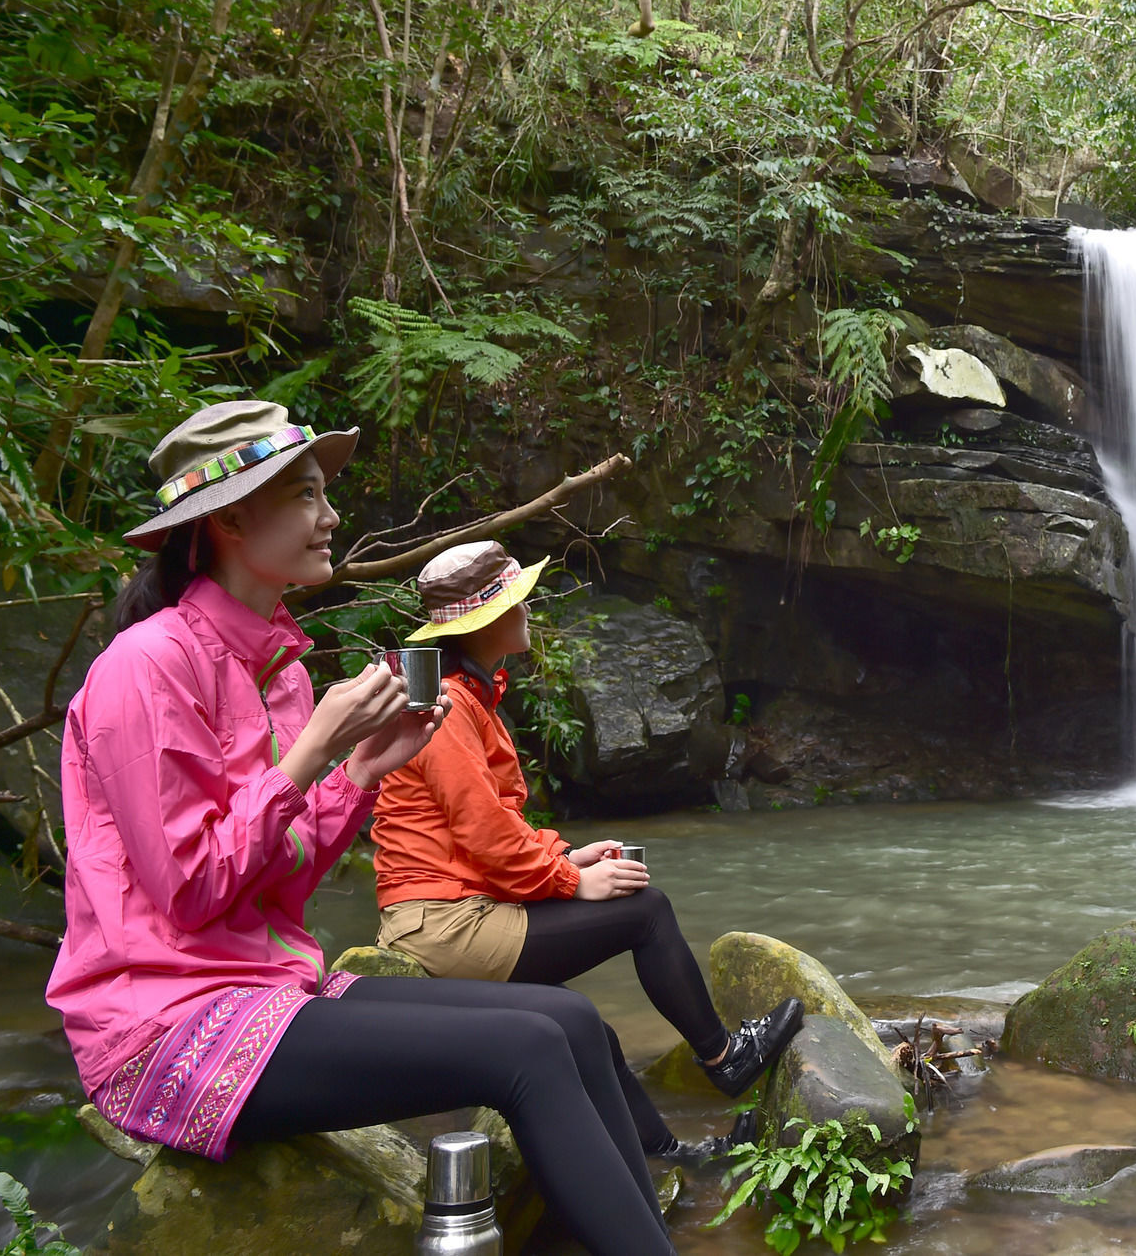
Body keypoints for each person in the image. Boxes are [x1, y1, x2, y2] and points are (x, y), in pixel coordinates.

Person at [45, 401, 676, 1255]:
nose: (332, 515)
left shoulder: (281, 672)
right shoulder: (146, 665)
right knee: (525, 1045)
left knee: (564, 1019)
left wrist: (360, 772)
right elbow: (189, 891)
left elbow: (281, 885)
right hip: (166, 1027)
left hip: (264, 989)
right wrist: (311, 753)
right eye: (306, 495)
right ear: (230, 520)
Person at [368, 539, 802, 1164]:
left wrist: (567, 855)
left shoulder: (464, 694)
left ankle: (666, 1155)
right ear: (486, 619)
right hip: (441, 924)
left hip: (456, 909)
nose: (528, 608)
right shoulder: (444, 707)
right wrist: (570, 882)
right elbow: (486, 835)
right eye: (518, 599)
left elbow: (489, 830)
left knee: (582, 1027)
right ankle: (725, 1057)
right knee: (644, 910)